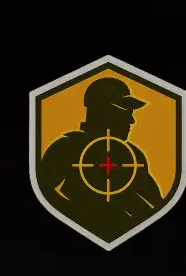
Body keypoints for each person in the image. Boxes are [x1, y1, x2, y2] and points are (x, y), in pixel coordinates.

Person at [37, 76, 169, 240]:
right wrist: (81, 217)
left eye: (131, 113)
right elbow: (42, 192)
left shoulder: (133, 155)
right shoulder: (69, 147)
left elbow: (157, 205)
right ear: (102, 110)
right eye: (125, 111)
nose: (132, 120)